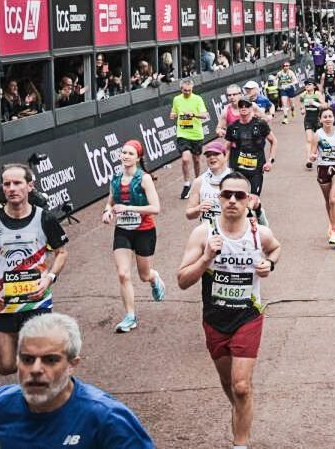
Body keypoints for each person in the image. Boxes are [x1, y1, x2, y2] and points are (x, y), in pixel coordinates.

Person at [177, 173, 282, 449]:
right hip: (215, 319)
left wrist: (270, 265)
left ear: (249, 200)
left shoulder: (260, 233)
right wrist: (206, 258)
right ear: (219, 199)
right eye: (227, 195)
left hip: (248, 316)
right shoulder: (204, 234)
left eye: (239, 195)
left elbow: (276, 249)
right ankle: (241, 411)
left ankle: (240, 443)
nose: (232, 200)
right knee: (229, 384)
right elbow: (182, 280)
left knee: (242, 386)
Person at [0, 313, 154, 448]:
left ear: (72, 364)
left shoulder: (107, 419)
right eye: (27, 359)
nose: (35, 370)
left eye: (51, 360)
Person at [0, 164, 69, 375]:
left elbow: (61, 252)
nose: (12, 188)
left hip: (37, 300)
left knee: (38, 361)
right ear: (2, 188)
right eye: (7, 184)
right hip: (3, 303)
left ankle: (37, 397)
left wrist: (49, 278)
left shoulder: (44, 218)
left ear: (30, 186)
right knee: (5, 367)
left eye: (17, 183)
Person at [100, 140, 164, 333]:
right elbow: (111, 199)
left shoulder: (144, 179)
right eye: (124, 153)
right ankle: (130, 316)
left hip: (144, 230)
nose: (126, 156)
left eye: (130, 153)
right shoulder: (116, 178)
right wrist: (107, 211)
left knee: (144, 275)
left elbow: (156, 208)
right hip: (123, 230)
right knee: (123, 274)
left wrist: (128, 207)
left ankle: (154, 278)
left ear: (138, 157)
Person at [224, 97, 276, 224]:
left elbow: (273, 141)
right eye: (241, 106)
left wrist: (270, 161)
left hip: (256, 168)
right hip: (238, 168)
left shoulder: (260, 124)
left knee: (253, 199)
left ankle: (257, 211)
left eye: (246, 106)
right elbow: (226, 147)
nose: (243, 108)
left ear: (251, 108)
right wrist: (224, 167)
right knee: (238, 197)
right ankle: (245, 221)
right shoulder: (233, 127)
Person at [308, 107, 335, 246]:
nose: (328, 119)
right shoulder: (318, 135)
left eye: (330, 116)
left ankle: (334, 231)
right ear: (320, 120)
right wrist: (312, 157)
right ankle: (332, 223)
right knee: (328, 201)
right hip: (323, 168)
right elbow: (313, 153)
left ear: (334, 118)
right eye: (325, 117)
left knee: (334, 199)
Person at [171, 79, 210, 200]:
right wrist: (173, 115)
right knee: (185, 158)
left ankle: (198, 182)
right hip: (183, 133)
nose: (187, 92)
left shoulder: (197, 99)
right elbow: (173, 112)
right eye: (185, 90)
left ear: (192, 89)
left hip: (196, 134)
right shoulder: (177, 99)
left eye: (189, 90)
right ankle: (187, 183)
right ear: (181, 89)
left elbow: (205, 115)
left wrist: (193, 115)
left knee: (197, 160)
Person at [185, 139, 231, 227]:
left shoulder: (235, 179)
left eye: (216, 154)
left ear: (225, 156)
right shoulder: (199, 182)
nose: (212, 157)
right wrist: (198, 209)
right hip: (209, 234)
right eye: (208, 155)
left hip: (230, 233)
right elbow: (189, 214)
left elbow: (247, 210)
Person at [300, 81, 329, 167]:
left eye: (309, 84)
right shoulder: (303, 95)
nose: (307, 86)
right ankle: (309, 159)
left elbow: (325, 106)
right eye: (306, 85)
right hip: (308, 119)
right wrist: (302, 110)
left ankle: (324, 157)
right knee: (309, 139)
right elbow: (302, 106)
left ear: (314, 86)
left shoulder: (317, 94)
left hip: (317, 119)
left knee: (321, 139)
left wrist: (314, 103)